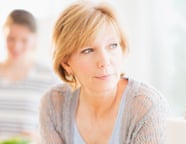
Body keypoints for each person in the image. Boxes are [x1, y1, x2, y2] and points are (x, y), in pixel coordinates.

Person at [39, 1, 169, 144]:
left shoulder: (145, 107)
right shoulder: (53, 104)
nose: (104, 61)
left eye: (112, 45)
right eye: (87, 50)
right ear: (66, 63)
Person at [0, 9, 58, 144]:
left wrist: (39, 139)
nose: (16, 46)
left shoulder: (48, 78)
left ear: (35, 40)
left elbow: (56, 128)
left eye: (24, 40)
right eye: (11, 39)